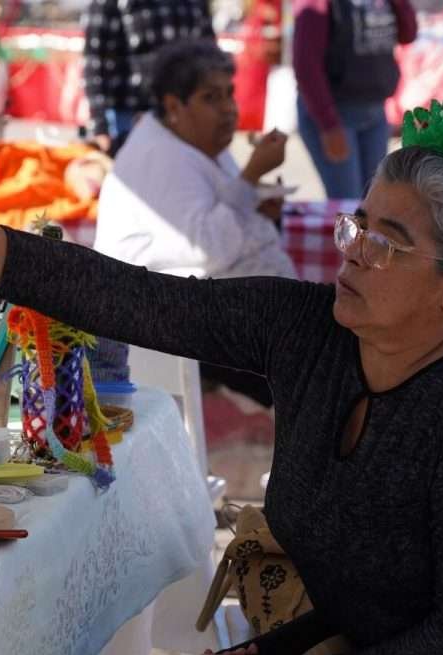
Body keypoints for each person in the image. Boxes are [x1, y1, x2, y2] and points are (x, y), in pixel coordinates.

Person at [0, 76, 443, 655]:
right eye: (356, 227)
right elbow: (137, 299)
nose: (355, 253)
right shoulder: (309, 329)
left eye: (385, 244)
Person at [94, 37, 294, 408]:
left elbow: (221, 215)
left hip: (212, 310)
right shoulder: (161, 155)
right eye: (211, 98)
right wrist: (250, 177)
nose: (229, 110)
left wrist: (255, 201)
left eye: (229, 95)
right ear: (174, 106)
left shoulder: (194, 143)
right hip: (166, 322)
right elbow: (207, 249)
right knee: (305, 374)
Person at [293, 0, 417, 199]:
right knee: (350, 206)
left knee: (374, 201)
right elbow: (306, 66)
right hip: (336, 113)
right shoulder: (317, 5)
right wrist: (329, 125)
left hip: (375, 110)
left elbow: (408, 33)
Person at [81, 0, 215, 155]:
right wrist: (100, 126)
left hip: (187, 116)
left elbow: (210, 55)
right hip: (129, 120)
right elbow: (94, 63)